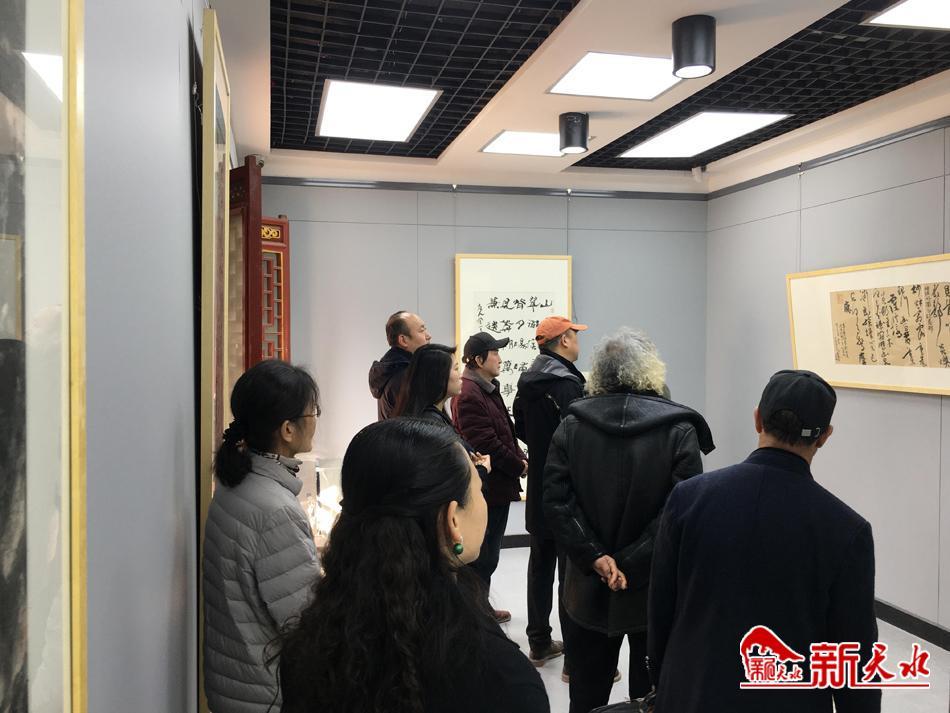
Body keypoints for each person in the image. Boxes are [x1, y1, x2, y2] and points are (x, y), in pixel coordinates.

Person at [278, 419, 550, 713]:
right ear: (452, 520)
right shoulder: (505, 682)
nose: (483, 501)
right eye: (479, 490)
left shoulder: (309, 646)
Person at [648, 370, 880, 713]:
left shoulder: (688, 498)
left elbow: (661, 608)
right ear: (824, 437)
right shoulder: (847, 530)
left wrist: (663, 679)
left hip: (692, 692)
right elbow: (854, 654)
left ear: (758, 419)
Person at [544, 328, 713, 713]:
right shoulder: (679, 429)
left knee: (586, 694)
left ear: (599, 372)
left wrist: (596, 557)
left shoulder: (571, 424)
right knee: (651, 695)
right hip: (653, 586)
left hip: (587, 585)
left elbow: (556, 501)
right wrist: (631, 562)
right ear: (651, 369)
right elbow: (680, 512)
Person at [202, 359, 321, 713]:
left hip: (235, 682)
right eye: (313, 412)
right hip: (268, 694)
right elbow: (307, 626)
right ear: (288, 429)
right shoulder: (276, 511)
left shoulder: (235, 482)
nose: (316, 419)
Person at [513, 316, 588, 671]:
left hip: (539, 484)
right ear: (563, 341)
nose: (578, 341)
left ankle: (539, 643)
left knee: (540, 566)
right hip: (565, 488)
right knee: (569, 573)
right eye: (575, 335)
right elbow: (579, 439)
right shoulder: (567, 385)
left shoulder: (527, 381)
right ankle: (575, 659)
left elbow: (521, 428)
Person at [452, 331, 528, 623]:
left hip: (497, 486)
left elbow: (503, 432)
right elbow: (486, 444)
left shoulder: (484, 388)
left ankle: (479, 610)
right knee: (482, 556)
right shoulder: (470, 393)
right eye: (494, 353)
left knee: (488, 554)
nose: (499, 358)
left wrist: (518, 458)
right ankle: (475, 616)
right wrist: (519, 465)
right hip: (488, 489)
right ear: (479, 359)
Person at [393, 342, 491, 478]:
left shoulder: (432, 416)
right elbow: (445, 479)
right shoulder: (429, 426)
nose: (460, 375)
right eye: (456, 369)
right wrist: (481, 470)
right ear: (438, 376)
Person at [368, 310, 431, 420]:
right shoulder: (406, 377)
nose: (429, 336)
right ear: (403, 340)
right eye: (421, 331)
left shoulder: (394, 371)